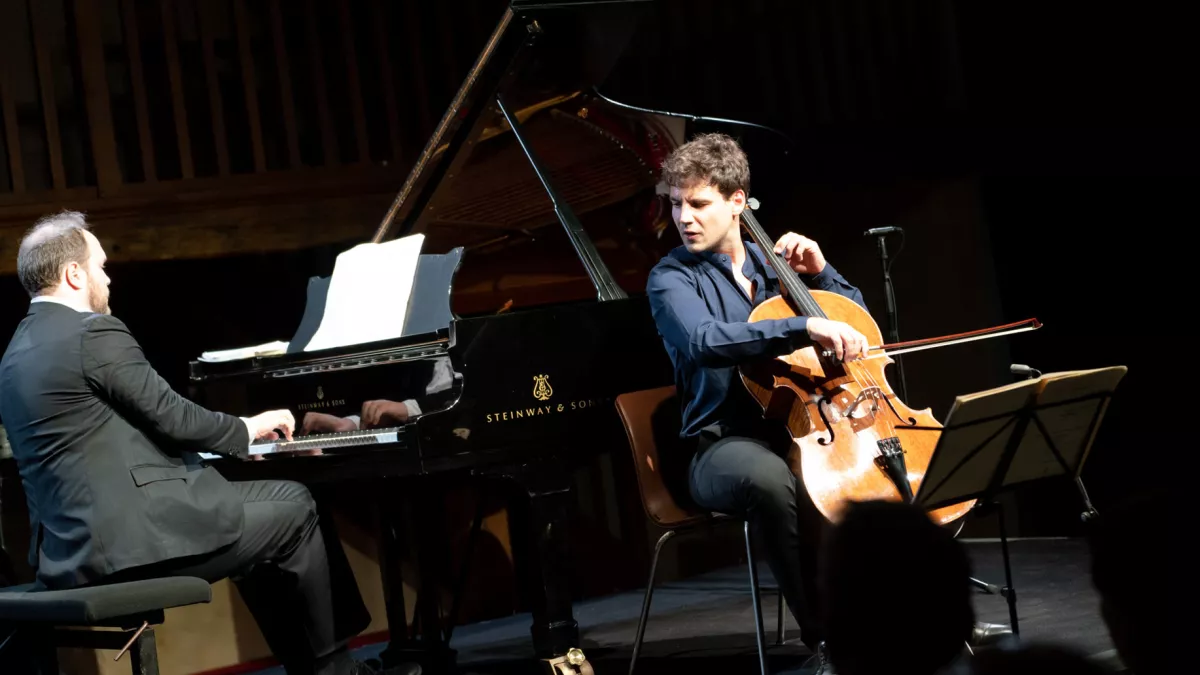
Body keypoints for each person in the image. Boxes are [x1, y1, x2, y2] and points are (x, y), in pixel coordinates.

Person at [0, 211, 418, 675]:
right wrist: (247, 429)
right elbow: (171, 416)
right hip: (127, 547)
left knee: (262, 511)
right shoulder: (91, 333)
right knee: (297, 506)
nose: (108, 277)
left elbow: (118, 436)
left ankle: (317, 667)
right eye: (100, 266)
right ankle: (335, 670)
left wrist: (237, 445)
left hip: (67, 553)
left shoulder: (17, 351)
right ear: (73, 273)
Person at [645, 132, 870, 672]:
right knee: (775, 480)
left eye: (698, 203)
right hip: (722, 444)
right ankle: (827, 640)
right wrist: (803, 325)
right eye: (676, 204)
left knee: (875, 464)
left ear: (738, 202)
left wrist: (820, 276)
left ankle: (913, 611)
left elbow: (856, 325)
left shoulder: (779, 268)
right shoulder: (671, 277)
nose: (683, 217)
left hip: (807, 425)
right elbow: (704, 341)